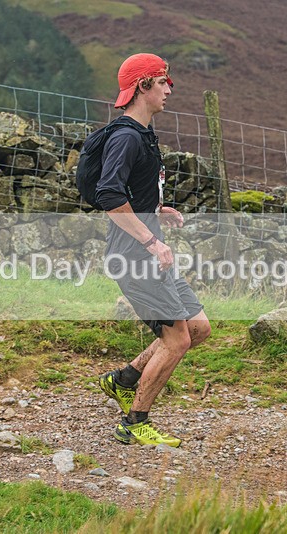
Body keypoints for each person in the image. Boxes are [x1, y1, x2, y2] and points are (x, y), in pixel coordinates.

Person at [95, 53, 211, 448]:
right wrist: (151, 240)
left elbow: (129, 190)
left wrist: (156, 209)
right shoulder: (127, 136)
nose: (169, 90)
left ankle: (123, 380)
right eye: (163, 82)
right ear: (143, 86)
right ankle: (134, 422)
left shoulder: (143, 134)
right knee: (177, 340)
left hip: (147, 253)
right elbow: (109, 195)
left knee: (198, 329)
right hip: (134, 257)